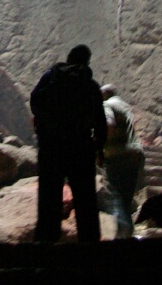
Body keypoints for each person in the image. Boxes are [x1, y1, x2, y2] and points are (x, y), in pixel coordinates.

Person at [30, 44, 106, 243]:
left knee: (49, 198)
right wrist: (99, 148)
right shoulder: (91, 86)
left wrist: (46, 129)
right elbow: (100, 122)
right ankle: (89, 247)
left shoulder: (51, 78)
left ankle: (46, 245)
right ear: (87, 62)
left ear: (69, 58)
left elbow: (35, 101)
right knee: (85, 200)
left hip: (51, 147)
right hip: (80, 148)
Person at [101, 84, 145, 239]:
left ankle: (123, 230)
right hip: (135, 154)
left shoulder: (107, 104)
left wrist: (99, 146)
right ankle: (127, 235)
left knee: (114, 194)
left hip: (118, 155)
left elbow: (109, 125)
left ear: (105, 93)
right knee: (125, 197)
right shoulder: (124, 106)